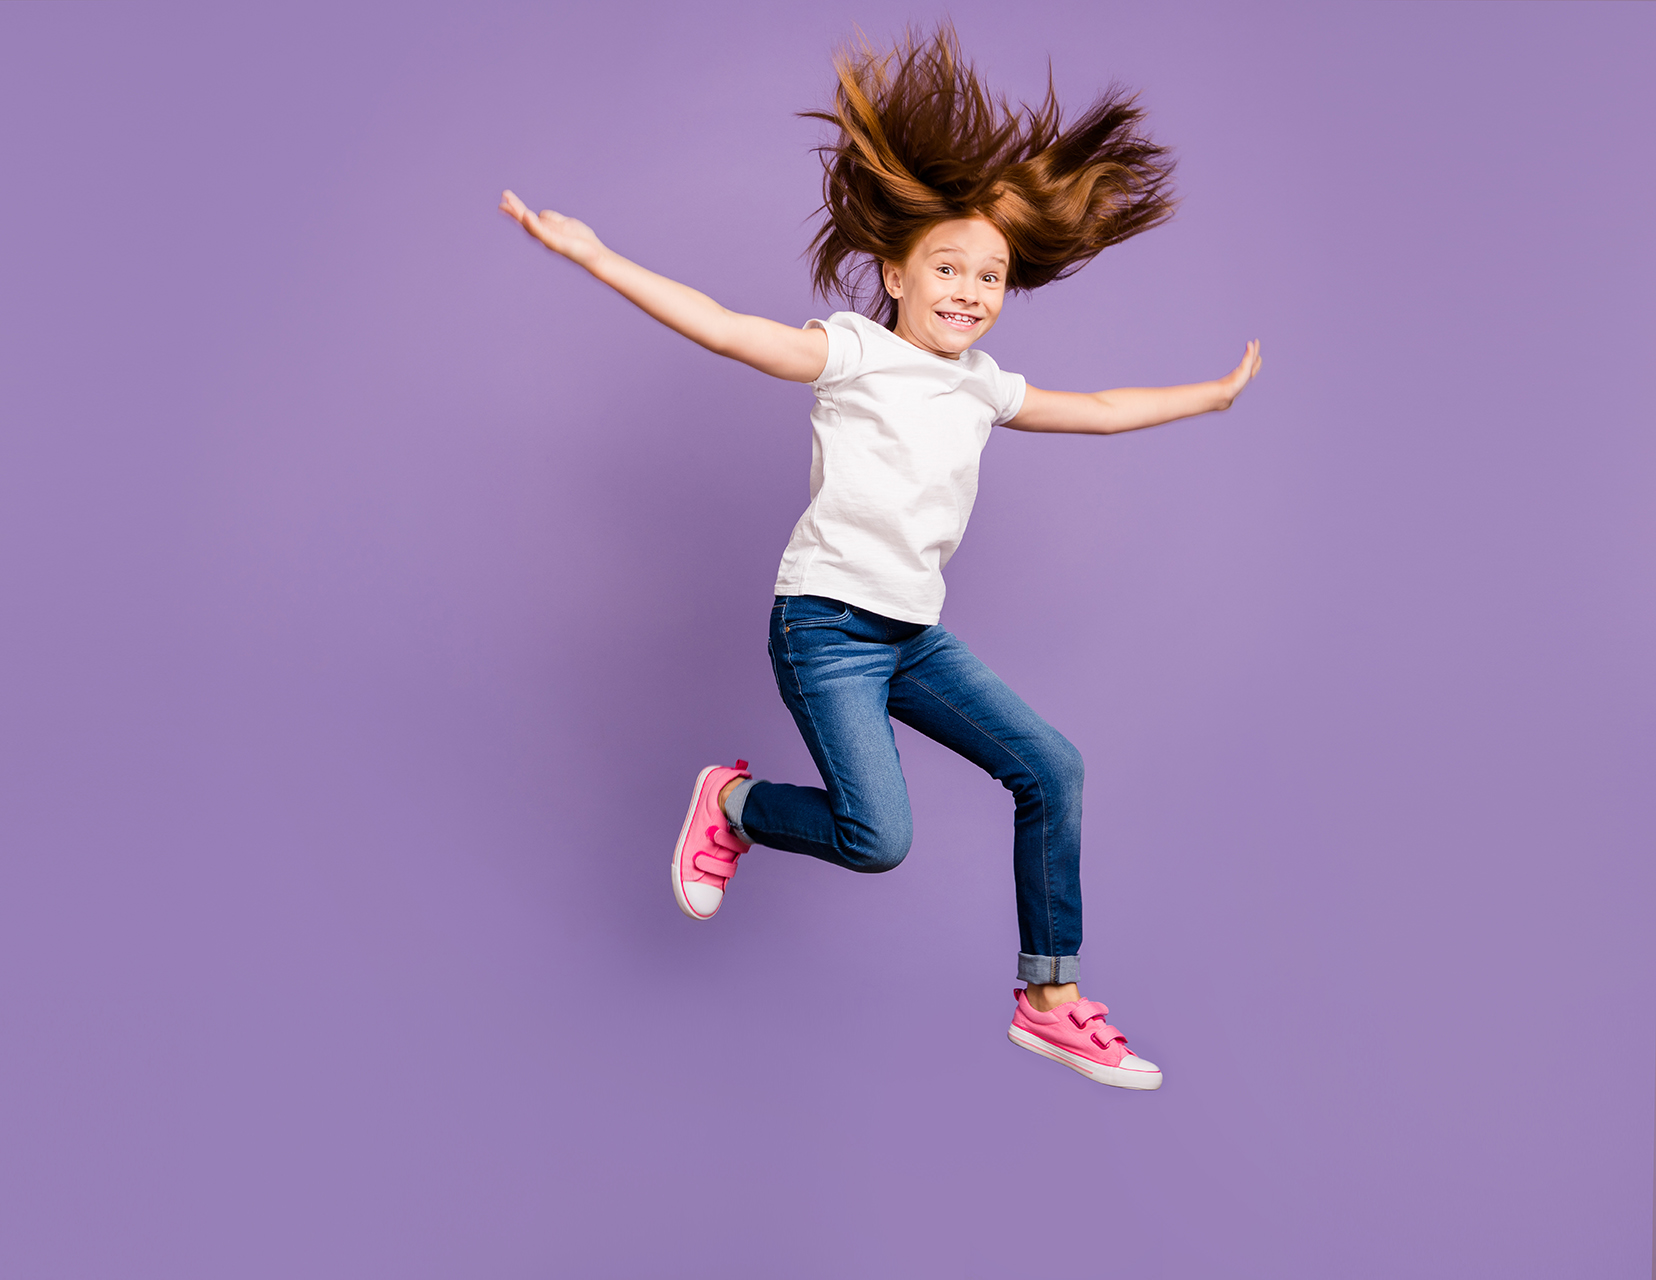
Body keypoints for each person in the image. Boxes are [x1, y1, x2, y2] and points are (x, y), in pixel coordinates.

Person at [499, 24, 1259, 1090]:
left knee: (1052, 766)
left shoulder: (984, 383)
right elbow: (722, 328)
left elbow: (1094, 407)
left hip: (909, 635)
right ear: (895, 269)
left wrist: (1211, 395)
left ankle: (1050, 997)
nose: (969, 290)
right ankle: (731, 803)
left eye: (990, 276)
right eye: (948, 267)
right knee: (877, 836)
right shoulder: (852, 353)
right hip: (826, 627)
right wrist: (595, 254)